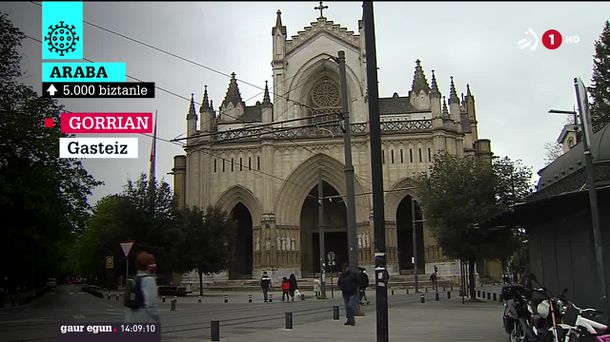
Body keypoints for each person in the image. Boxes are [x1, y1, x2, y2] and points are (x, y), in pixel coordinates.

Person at [124, 251, 160, 323]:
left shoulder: (134, 278)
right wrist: (156, 316)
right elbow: (150, 303)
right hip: (144, 318)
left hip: (130, 318)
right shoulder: (149, 280)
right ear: (148, 266)